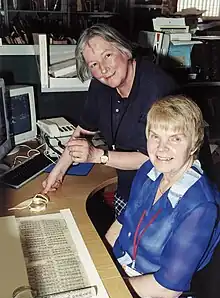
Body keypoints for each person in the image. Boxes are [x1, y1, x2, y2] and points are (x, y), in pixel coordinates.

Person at [42, 24, 178, 220]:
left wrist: (98, 156)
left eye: (107, 56)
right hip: (129, 188)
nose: (103, 69)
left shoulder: (158, 88)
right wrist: (58, 171)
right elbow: (83, 130)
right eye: (93, 65)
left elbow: (153, 158)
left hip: (164, 196)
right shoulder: (101, 84)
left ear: (124, 49)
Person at [105, 95, 220, 298]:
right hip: (122, 271)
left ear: (194, 143)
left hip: (155, 296)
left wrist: (110, 287)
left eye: (175, 139)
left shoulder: (201, 206)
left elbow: (167, 288)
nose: (161, 148)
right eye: (155, 136)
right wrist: (100, 259)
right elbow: (123, 221)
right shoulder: (149, 171)